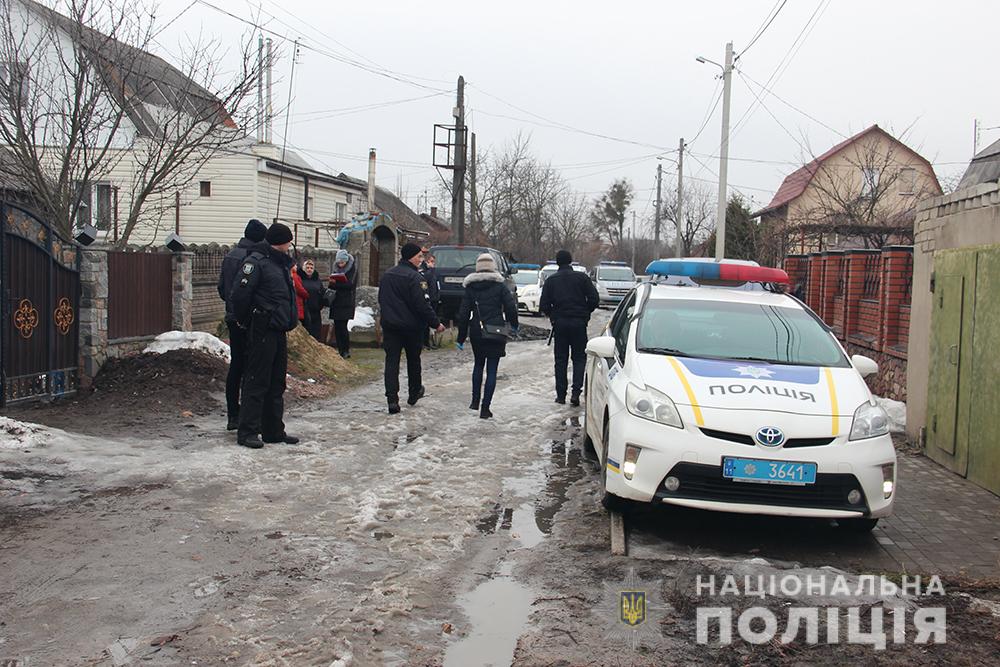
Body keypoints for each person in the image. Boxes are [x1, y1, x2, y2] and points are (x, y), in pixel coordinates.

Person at [229, 222, 300, 448]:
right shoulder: (256, 263)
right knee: (256, 380)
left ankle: (273, 430)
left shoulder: (280, 264)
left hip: (279, 329)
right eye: (288, 241)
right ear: (281, 242)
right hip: (262, 328)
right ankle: (248, 431)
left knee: (276, 382)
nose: (290, 246)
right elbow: (239, 295)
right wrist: (246, 320)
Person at [378, 242, 445, 414]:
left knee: (391, 361)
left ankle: (392, 399)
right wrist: (435, 323)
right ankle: (414, 391)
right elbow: (422, 305)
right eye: (419, 256)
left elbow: (382, 300)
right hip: (411, 327)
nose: (421, 260)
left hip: (391, 326)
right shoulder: (416, 278)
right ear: (411, 257)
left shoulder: (387, 275)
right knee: (413, 360)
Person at [218, 218, 268, 430]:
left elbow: (222, 288)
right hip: (249, 319)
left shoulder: (230, 255)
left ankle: (232, 415)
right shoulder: (253, 259)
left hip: (231, 316)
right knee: (251, 366)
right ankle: (248, 415)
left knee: (236, 366)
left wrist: (231, 308)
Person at [455, 253, 518, 419]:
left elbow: (463, 314)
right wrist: (514, 325)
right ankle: (485, 408)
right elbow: (511, 308)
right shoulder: (500, 286)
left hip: (476, 331)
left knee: (478, 365)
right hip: (496, 331)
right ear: (493, 267)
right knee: (492, 370)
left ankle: (474, 401)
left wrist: (461, 338)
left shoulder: (470, 288)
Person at [539, 249, 599, 406]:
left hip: (560, 324)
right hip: (579, 324)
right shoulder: (582, 278)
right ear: (571, 261)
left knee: (561, 360)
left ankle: (560, 395)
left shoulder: (551, 281)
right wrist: (585, 312)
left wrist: (554, 316)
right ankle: (576, 393)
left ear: (557, 262)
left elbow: (543, 305)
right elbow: (594, 299)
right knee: (579, 359)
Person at [327, 249, 358, 358]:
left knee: (343, 326)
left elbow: (350, 285)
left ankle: (345, 350)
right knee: (337, 326)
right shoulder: (335, 268)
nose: (340, 265)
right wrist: (331, 283)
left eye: (342, 262)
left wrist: (336, 284)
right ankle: (340, 349)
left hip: (346, 302)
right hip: (336, 301)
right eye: (339, 263)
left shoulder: (352, 269)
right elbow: (331, 286)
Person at [299, 258, 324, 341]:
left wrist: (321, 304)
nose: (309, 269)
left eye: (311, 268)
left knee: (316, 332)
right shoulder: (300, 279)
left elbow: (322, 292)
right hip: (304, 309)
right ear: (304, 268)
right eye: (307, 268)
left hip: (316, 309)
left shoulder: (317, 280)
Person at [420, 250, 441, 349]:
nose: (433, 264)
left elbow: (436, 285)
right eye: (431, 261)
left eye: (434, 262)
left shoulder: (433, 272)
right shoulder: (424, 272)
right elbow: (424, 284)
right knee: (425, 323)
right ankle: (424, 342)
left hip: (434, 299)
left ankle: (430, 342)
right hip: (428, 300)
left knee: (431, 322)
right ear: (426, 261)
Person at [291, 263, 310, 330]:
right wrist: (307, 295)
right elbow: (299, 289)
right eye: (294, 265)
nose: (296, 267)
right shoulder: (295, 276)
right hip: (298, 303)